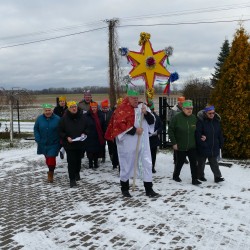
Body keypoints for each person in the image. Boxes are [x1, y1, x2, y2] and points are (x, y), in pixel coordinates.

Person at [105, 89, 159, 198]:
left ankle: (149, 189)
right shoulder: (121, 109)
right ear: (128, 98)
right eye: (133, 98)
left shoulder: (143, 107)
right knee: (127, 164)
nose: (136, 100)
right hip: (128, 143)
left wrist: (146, 113)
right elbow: (118, 125)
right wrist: (134, 130)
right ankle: (125, 189)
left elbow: (152, 121)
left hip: (143, 142)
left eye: (137, 98)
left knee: (146, 164)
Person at [168, 100, 201, 185]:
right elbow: (170, 130)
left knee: (194, 162)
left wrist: (202, 136)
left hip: (192, 145)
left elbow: (198, 130)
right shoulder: (176, 118)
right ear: (183, 109)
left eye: (191, 108)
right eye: (187, 108)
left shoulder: (194, 118)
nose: (189, 110)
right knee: (180, 161)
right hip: (180, 145)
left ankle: (195, 179)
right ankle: (176, 175)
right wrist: (174, 143)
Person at [58, 101, 88, 188]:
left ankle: (77, 172)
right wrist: (66, 137)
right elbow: (60, 131)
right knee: (71, 161)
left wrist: (84, 133)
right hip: (69, 144)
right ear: (68, 108)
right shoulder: (64, 119)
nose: (74, 108)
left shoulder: (82, 117)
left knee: (78, 160)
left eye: (75, 106)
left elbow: (87, 127)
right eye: (71, 107)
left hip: (80, 143)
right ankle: (72, 180)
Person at [195, 105, 225, 183]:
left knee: (214, 162)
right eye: (210, 113)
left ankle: (217, 177)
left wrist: (221, 143)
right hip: (203, 146)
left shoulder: (216, 122)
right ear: (205, 113)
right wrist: (202, 143)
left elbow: (219, 134)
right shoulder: (200, 122)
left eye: (213, 113)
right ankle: (200, 176)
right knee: (201, 163)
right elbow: (198, 134)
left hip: (213, 146)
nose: (212, 115)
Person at [34, 104, 61, 183]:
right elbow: (36, 129)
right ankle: (50, 169)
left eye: (49, 110)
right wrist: (38, 138)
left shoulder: (57, 119)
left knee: (51, 157)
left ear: (52, 110)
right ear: (44, 111)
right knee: (47, 158)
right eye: (46, 110)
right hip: (43, 143)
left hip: (54, 142)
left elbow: (61, 129)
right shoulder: (39, 119)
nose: (48, 112)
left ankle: (50, 173)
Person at [84, 101, 105, 169]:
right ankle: (90, 163)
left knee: (96, 150)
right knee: (89, 151)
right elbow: (84, 125)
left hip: (98, 135)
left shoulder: (100, 115)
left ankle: (95, 163)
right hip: (89, 135)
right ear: (90, 107)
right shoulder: (86, 115)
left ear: (97, 108)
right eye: (92, 107)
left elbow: (103, 125)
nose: (94, 109)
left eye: (95, 107)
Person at [170, 96, 189, 165]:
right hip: (176, 130)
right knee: (176, 145)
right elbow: (170, 120)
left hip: (184, 130)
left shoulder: (186, 109)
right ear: (178, 103)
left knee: (184, 144)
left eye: (183, 103)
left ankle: (184, 158)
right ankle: (175, 159)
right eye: (181, 103)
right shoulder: (173, 110)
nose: (182, 104)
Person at [147, 100, 163, 173]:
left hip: (154, 139)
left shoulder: (157, 117)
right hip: (146, 139)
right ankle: (146, 166)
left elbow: (161, 126)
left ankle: (152, 167)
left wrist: (157, 132)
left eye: (151, 109)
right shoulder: (144, 117)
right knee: (146, 154)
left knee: (153, 154)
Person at [100, 99, 113, 164]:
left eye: (106, 108)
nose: (105, 109)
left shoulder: (111, 113)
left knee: (110, 145)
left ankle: (111, 156)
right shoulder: (99, 113)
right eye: (103, 108)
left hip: (109, 131)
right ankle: (103, 157)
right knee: (102, 145)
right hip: (102, 132)